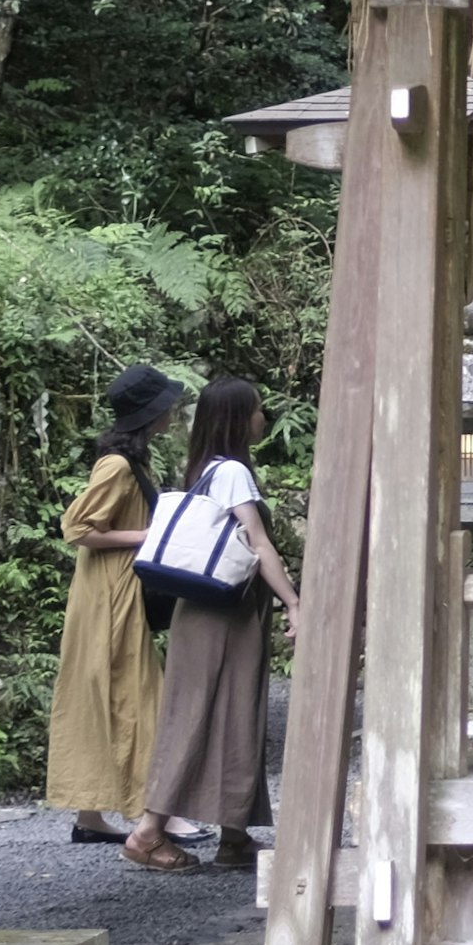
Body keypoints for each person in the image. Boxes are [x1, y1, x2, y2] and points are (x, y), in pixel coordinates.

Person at [135, 377, 298, 873]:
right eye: (256, 410)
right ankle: (146, 831)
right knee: (196, 714)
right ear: (236, 417)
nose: (262, 419)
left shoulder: (208, 467)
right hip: (221, 614)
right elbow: (259, 544)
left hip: (216, 611)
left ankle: (234, 834)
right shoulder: (232, 473)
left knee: (233, 713)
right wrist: (295, 602)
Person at [47, 366, 177, 844]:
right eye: (167, 406)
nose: (173, 412)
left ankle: (91, 815)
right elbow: (78, 528)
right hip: (110, 590)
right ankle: (156, 811)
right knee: (138, 693)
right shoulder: (118, 466)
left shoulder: (134, 463)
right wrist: (147, 536)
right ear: (153, 413)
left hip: (115, 586)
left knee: (106, 690)